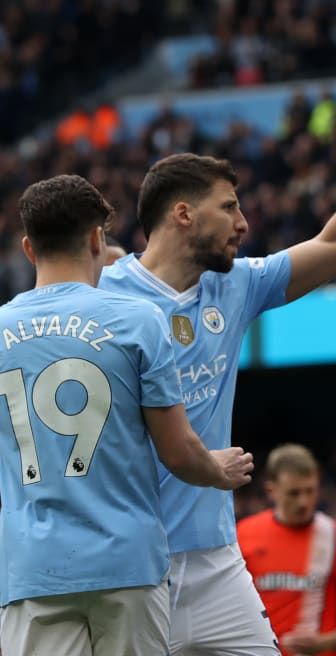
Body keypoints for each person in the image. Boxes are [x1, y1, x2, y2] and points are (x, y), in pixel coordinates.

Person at [97, 64, 336, 656]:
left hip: (214, 561)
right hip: (131, 563)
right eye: (229, 208)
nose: (244, 223)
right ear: (183, 214)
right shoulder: (105, 298)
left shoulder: (234, 284)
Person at [0, 175, 253, 655]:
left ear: (29, 248)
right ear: (98, 239)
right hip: (128, 564)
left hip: (31, 568)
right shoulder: (138, 320)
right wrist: (218, 470)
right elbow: (178, 452)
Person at [238, 444, 336, 656]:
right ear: (272, 491)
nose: (303, 501)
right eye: (293, 493)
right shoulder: (243, 535)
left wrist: (326, 642)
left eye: (310, 491)